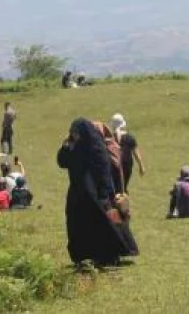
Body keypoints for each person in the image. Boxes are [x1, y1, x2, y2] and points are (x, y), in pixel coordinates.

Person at [57, 118, 137, 268]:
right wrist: (65, 146)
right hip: (78, 194)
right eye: (72, 132)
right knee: (78, 226)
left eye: (76, 132)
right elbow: (62, 162)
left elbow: (104, 171)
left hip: (96, 194)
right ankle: (83, 256)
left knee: (103, 225)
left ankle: (110, 255)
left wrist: (105, 193)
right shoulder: (74, 148)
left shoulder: (96, 148)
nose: (74, 135)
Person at [111, 113, 145, 192]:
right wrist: (141, 166)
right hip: (127, 165)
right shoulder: (130, 138)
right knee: (124, 185)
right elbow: (136, 153)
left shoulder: (111, 138)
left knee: (115, 186)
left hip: (114, 164)